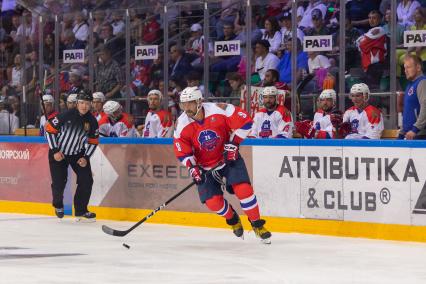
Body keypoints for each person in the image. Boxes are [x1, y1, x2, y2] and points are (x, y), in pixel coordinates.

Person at [173, 86, 272, 243]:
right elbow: (182, 151)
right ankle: (233, 219)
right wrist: (192, 168)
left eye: (189, 103)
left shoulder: (220, 109)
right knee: (213, 203)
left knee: (244, 190)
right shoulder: (181, 124)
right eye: (183, 104)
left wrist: (234, 143)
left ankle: (257, 224)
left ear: (199, 101)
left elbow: (246, 122)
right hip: (204, 166)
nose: (186, 108)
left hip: (227, 158)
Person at [44, 91, 99, 220]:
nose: (84, 106)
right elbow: (49, 131)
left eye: (87, 103)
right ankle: (58, 205)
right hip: (59, 152)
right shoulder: (66, 115)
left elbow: (93, 141)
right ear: (77, 103)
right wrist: (55, 151)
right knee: (59, 182)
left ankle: (81, 210)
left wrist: (86, 157)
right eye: (81, 103)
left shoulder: (92, 121)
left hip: (77, 154)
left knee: (87, 180)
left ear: (91, 104)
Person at [399, 54, 426, 140]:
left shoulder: (423, 82)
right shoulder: (410, 85)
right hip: (410, 135)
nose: (405, 71)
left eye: (408, 67)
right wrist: (402, 133)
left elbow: (425, 107)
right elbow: (407, 112)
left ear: (418, 68)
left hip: (420, 135)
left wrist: (415, 129)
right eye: (404, 68)